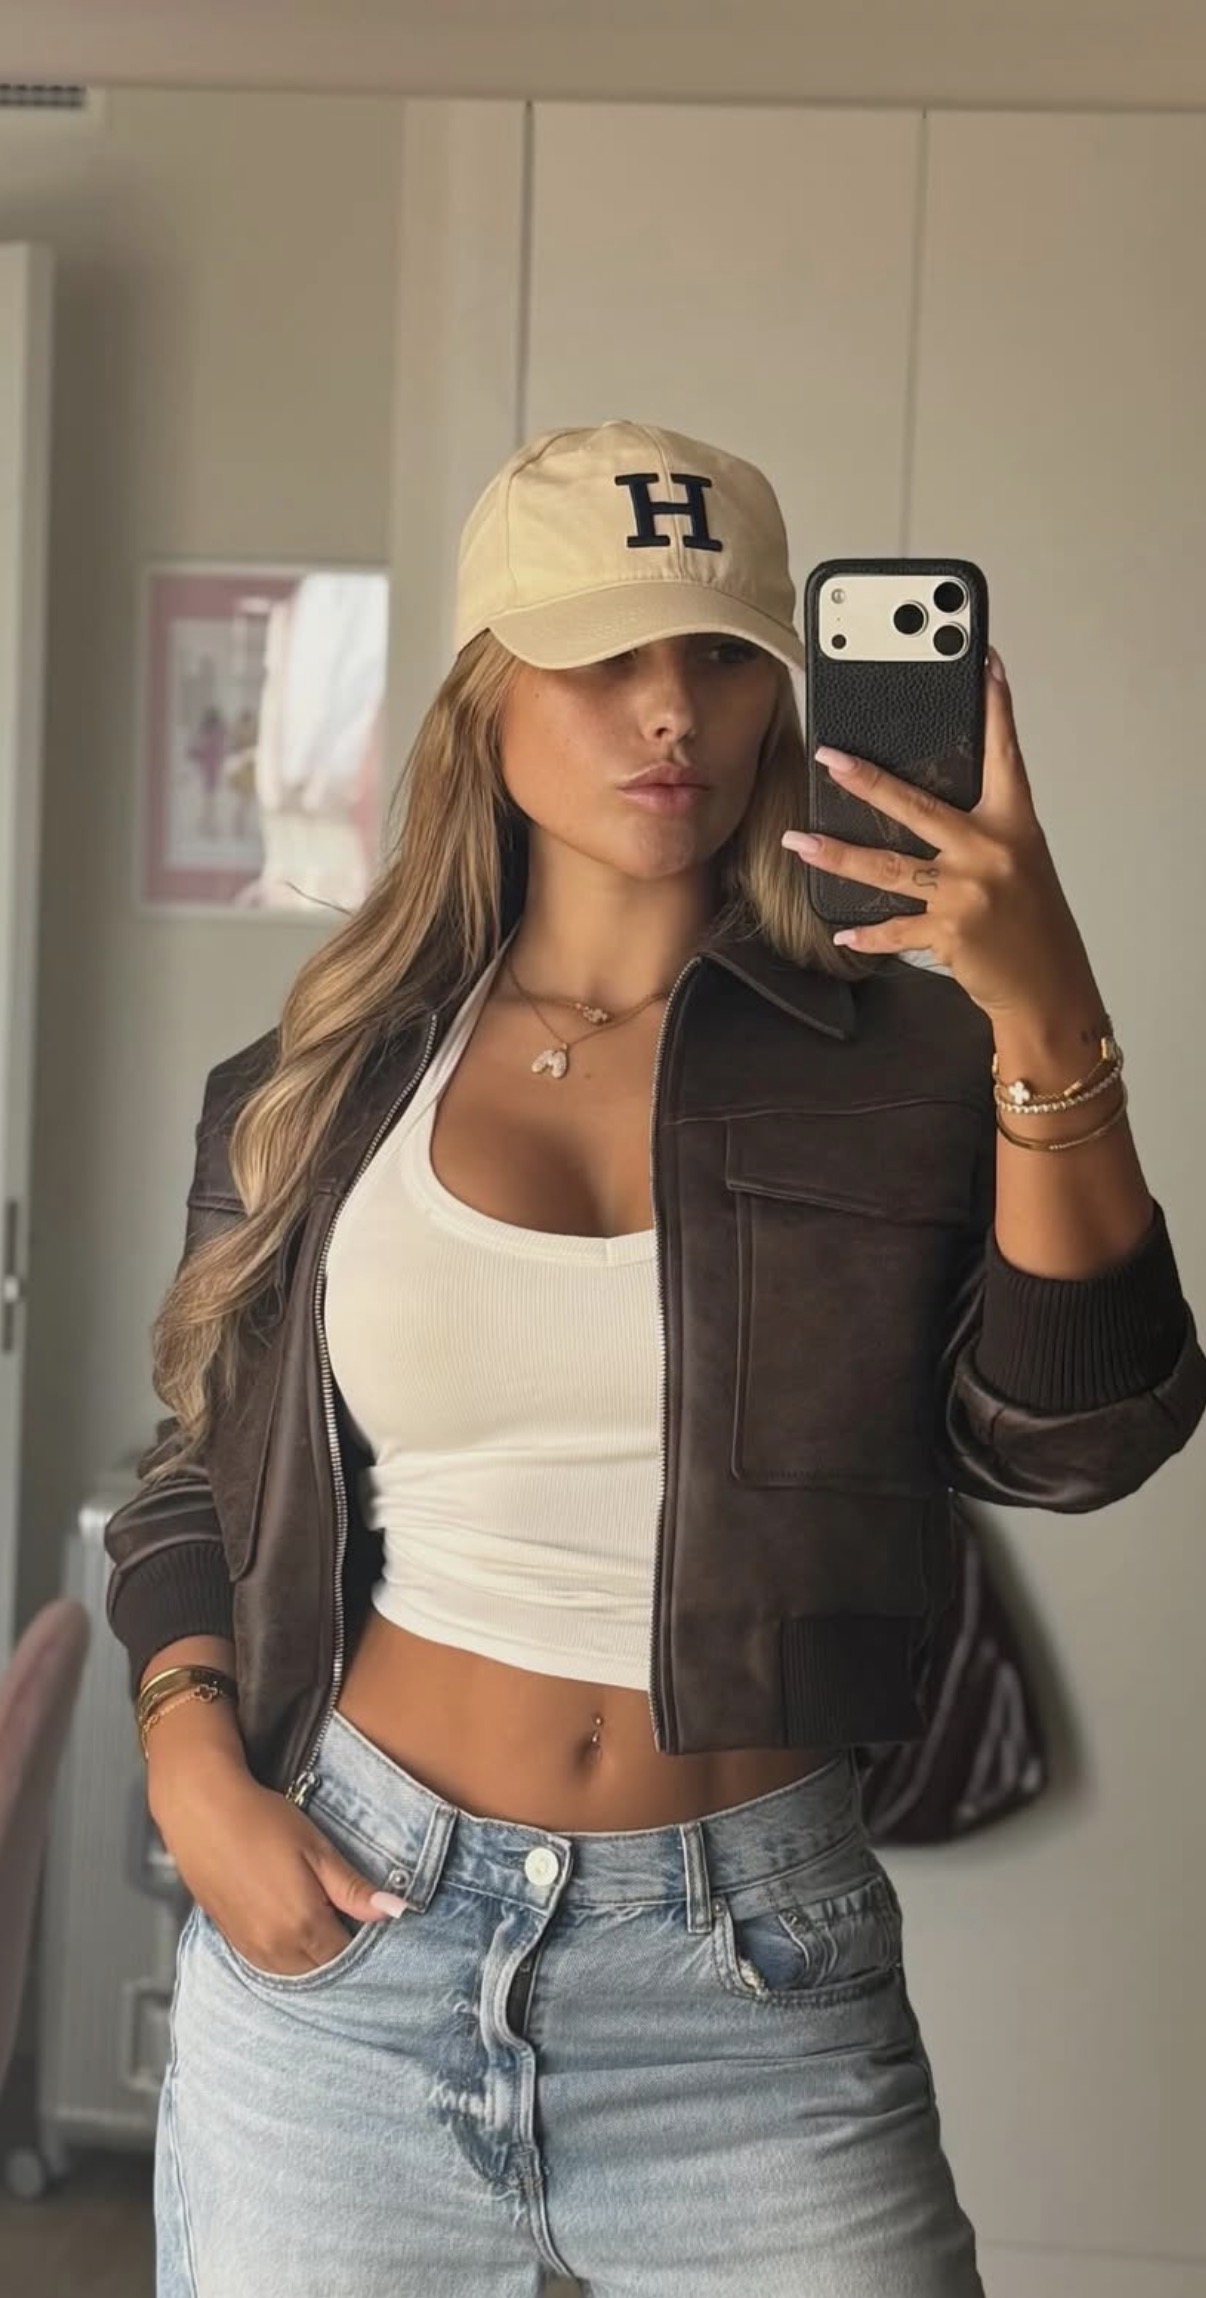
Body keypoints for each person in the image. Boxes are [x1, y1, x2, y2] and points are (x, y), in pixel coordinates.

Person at [105, 421, 1205, 2298]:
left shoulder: (912, 1060)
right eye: (601, 654)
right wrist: (190, 1762)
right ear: (485, 696)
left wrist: (1046, 1010)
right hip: (353, 1938)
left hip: (751, 1984)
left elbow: (1078, 1436)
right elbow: (198, 1474)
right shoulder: (316, 1087)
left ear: (785, 694)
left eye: (715, 654)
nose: (669, 708)